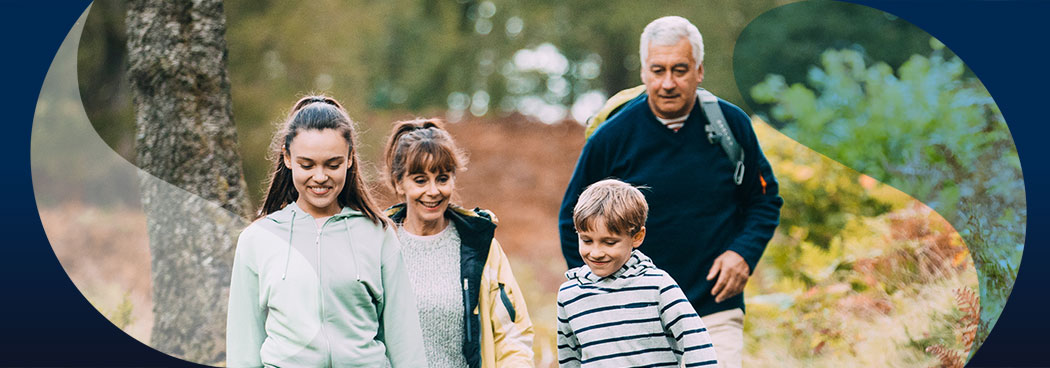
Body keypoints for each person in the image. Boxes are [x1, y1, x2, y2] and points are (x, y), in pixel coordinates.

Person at [558, 16, 783, 368]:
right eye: (657, 70)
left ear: (699, 71)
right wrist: (599, 298)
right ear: (644, 72)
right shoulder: (611, 137)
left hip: (713, 309)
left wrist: (743, 253)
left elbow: (765, 200)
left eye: (680, 70)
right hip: (636, 320)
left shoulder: (731, 126)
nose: (667, 83)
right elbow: (572, 219)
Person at [226, 96, 427, 367]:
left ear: (350, 158)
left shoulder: (378, 235)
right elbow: (243, 348)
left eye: (332, 164)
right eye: (307, 165)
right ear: (287, 158)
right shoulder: (257, 240)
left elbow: (406, 344)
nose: (320, 177)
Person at [383, 118, 535, 368]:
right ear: (399, 183)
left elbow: (512, 335)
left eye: (442, 178)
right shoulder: (378, 245)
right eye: (420, 180)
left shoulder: (478, 247)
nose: (433, 191)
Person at [557, 179, 719, 367]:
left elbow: (696, 342)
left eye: (609, 242)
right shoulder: (569, 295)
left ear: (637, 237)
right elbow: (569, 359)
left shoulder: (657, 286)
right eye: (586, 240)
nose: (596, 252)